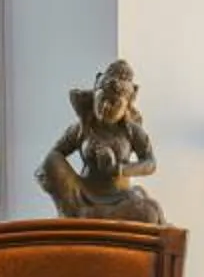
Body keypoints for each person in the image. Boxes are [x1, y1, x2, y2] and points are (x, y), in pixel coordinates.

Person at [37, 58, 165, 223]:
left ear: (126, 106)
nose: (105, 107)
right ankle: (79, 212)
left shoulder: (132, 131)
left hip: (119, 198)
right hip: (82, 194)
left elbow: (150, 163)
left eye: (113, 103)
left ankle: (92, 215)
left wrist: (119, 169)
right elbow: (55, 156)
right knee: (51, 161)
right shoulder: (82, 127)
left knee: (149, 213)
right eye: (101, 99)